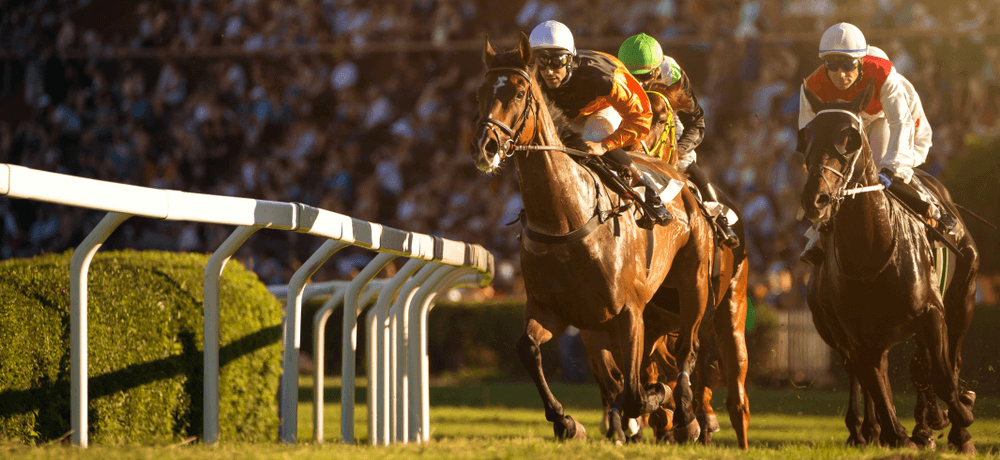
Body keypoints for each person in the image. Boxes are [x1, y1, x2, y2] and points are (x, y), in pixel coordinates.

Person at [797, 22, 957, 266]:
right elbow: (808, 136)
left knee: (884, 164)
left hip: (895, 119)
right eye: (832, 65)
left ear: (860, 62)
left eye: (848, 65)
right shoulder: (813, 86)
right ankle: (818, 234)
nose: (840, 73)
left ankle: (934, 209)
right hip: (855, 122)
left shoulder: (885, 75)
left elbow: (900, 123)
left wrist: (890, 169)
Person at [528, 20, 672, 227]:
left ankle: (649, 192)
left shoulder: (603, 77)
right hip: (569, 115)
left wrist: (603, 145)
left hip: (603, 108)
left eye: (557, 61)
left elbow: (641, 118)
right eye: (541, 62)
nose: (548, 71)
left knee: (591, 137)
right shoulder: (533, 75)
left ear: (570, 59)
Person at [617, 32, 739, 247]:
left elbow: (696, 122)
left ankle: (718, 217)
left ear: (657, 70)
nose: (641, 84)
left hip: (664, 117)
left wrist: (678, 151)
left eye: (646, 77)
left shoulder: (672, 74)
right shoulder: (614, 73)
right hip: (628, 119)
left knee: (685, 160)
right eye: (634, 77)